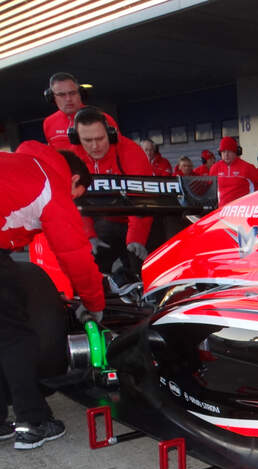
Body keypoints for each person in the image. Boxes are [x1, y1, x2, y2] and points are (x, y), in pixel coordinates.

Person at [1, 142, 104, 449]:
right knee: (14, 337)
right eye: (78, 195)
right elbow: (76, 257)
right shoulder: (50, 183)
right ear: (72, 179)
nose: (74, 202)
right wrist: (94, 304)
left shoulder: (22, 165)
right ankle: (34, 422)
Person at [70, 106, 153, 272]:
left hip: (139, 218)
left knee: (142, 262)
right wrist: (89, 236)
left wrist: (136, 238)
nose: (94, 146)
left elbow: (142, 196)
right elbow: (74, 201)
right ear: (77, 138)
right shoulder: (73, 158)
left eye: (100, 138)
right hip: (104, 221)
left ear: (110, 134)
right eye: (87, 140)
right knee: (87, 258)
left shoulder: (131, 152)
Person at [42, 72, 119, 151]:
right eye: (61, 95)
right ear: (52, 97)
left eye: (72, 93)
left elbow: (119, 150)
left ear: (80, 93)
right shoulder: (48, 123)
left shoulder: (102, 118)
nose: (68, 99)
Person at [208, 136, 258, 206]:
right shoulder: (215, 168)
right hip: (223, 211)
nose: (226, 154)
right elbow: (209, 190)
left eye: (229, 151)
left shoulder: (247, 167)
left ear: (235, 152)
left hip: (243, 210)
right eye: (223, 151)